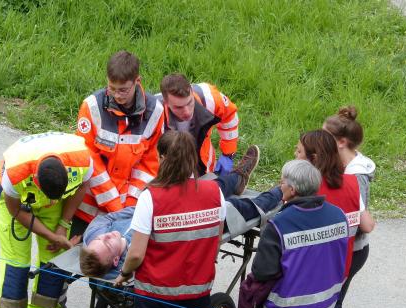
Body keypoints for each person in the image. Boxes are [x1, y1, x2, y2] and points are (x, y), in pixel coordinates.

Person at [112, 130, 224, 308]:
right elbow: (215, 242)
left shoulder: (150, 198)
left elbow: (136, 254)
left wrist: (124, 274)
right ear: (193, 158)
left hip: (155, 295)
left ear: (162, 158)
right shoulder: (215, 192)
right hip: (197, 292)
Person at [0, 132, 92, 308]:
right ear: (36, 179)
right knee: (16, 267)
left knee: (56, 266)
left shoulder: (82, 161)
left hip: (53, 206)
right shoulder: (15, 173)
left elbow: (81, 187)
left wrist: (61, 226)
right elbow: (16, 211)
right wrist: (49, 233)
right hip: (19, 205)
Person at [296, 129, 385, 308]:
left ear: (313, 159)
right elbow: (367, 225)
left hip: (320, 267)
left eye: (298, 151)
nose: (294, 154)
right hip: (346, 259)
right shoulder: (349, 182)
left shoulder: (310, 190)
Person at [79, 167, 281, 279]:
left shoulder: (94, 237)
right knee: (240, 207)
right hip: (196, 223)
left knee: (211, 187)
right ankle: (281, 191)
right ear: (116, 260)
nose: (105, 236)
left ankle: (238, 176)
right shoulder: (135, 258)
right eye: (107, 243)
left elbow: (106, 219)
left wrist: (145, 212)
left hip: (167, 205)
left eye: (100, 238)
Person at [251, 159, 351, 308]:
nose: (279, 185)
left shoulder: (278, 224)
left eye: (282, 181)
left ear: (292, 189)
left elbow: (262, 272)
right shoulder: (338, 216)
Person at [322, 107, 386, 308]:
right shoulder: (344, 164)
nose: (321, 139)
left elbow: (363, 222)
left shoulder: (355, 176)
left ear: (341, 142)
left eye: (325, 136)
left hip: (351, 250)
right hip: (342, 249)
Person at [73, 50, 165, 235]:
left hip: (127, 210)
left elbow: (149, 165)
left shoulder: (155, 111)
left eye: (123, 90)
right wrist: (114, 204)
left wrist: (129, 206)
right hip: (88, 212)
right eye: (111, 88)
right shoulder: (91, 107)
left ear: (137, 81)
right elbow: (88, 160)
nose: (117, 95)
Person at [158, 73, 240, 176]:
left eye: (189, 103)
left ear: (191, 92)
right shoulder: (155, 113)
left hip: (205, 167)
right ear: (166, 102)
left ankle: (237, 178)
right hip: (170, 172)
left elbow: (230, 117)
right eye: (179, 107)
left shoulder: (209, 97)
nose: (187, 112)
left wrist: (228, 153)